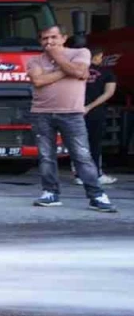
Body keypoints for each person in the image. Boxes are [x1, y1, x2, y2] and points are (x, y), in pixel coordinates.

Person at [26, 25, 116, 212]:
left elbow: (80, 72)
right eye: (44, 39)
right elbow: (38, 81)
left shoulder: (81, 52)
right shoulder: (35, 60)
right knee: (46, 156)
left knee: (82, 155)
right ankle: (50, 193)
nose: (49, 42)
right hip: (41, 113)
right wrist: (69, 71)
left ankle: (97, 195)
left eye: (53, 37)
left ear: (64, 38)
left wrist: (57, 57)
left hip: (72, 113)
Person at [79, 45, 117, 186]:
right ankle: (96, 174)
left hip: (76, 111)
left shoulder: (77, 71)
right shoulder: (107, 73)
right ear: (97, 56)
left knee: (78, 144)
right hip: (95, 112)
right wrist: (89, 107)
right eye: (101, 57)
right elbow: (109, 93)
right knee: (94, 144)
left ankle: (79, 174)